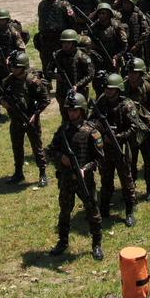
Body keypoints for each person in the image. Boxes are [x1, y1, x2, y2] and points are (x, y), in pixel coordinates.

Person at [48, 91, 106, 261]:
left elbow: (99, 159)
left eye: (75, 110)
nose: (72, 113)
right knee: (65, 211)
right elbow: (51, 150)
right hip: (66, 178)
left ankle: (96, 244)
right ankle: (63, 241)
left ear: (82, 110)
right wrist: (61, 158)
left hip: (84, 180)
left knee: (93, 211)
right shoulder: (63, 130)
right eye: (70, 110)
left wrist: (85, 169)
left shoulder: (91, 132)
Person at [92, 74, 139, 228]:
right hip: (105, 149)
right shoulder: (101, 101)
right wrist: (102, 135)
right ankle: (103, 209)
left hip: (121, 149)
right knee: (106, 179)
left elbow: (133, 127)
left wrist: (118, 137)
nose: (108, 91)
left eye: (111, 89)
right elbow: (92, 121)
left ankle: (130, 211)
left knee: (126, 181)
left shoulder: (127, 105)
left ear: (118, 89)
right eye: (106, 88)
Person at [0, 51, 50, 185]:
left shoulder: (33, 81)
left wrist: (35, 115)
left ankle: (43, 173)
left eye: (16, 67)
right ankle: (18, 173)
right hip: (15, 120)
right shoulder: (8, 80)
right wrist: (3, 102)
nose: (13, 69)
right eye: (12, 67)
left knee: (37, 147)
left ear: (23, 67)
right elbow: (1, 94)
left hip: (31, 119)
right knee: (17, 147)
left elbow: (45, 100)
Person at [125, 58, 150, 202]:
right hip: (130, 131)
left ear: (141, 74)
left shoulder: (149, 88)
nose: (132, 75)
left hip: (146, 131)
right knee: (130, 161)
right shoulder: (123, 88)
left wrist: (149, 121)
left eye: (135, 72)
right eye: (130, 72)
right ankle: (131, 187)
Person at [0, 7, 29, 119]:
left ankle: (13, 109)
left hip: (10, 66)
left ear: (7, 20)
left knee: (11, 87)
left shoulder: (13, 32)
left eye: (2, 20)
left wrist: (13, 56)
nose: (0, 22)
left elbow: (21, 48)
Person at [35, 0, 73, 82]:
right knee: (46, 63)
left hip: (59, 39)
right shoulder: (42, 4)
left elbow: (71, 21)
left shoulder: (63, 4)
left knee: (62, 63)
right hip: (46, 40)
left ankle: (65, 83)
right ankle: (47, 84)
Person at [51, 28, 95, 107]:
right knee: (65, 113)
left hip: (80, 90)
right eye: (63, 42)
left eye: (68, 43)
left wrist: (78, 85)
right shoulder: (58, 55)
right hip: (62, 91)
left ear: (74, 43)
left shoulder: (82, 57)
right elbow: (48, 71)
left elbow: (90, 74)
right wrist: (56, 76)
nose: (65, 45)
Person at [87, 3, 127, 82]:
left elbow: (124, 45)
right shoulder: (93, 27)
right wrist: (91, 45)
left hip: (113, 60)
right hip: (99, 61)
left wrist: (117, 57)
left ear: (109, 14)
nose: (101, 15)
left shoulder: (116, 26)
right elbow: (86, 42)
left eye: (103, 13)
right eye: (99, 13)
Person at [116, 0, 149, 72]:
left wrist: (137, 46)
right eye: (124, 2)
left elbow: (146, 31)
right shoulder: (118, 15)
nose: (126, 4)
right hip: (123, 47)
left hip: (137, 48)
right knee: (125, 69)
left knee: (138, 68)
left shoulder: (139, 14)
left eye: (128, 3)